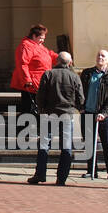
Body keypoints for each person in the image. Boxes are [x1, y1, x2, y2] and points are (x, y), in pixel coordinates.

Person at [28, 51, 84, 186]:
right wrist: (78, 107)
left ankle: (40, 174)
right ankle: (62, 178)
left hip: (49, 113)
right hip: (67, 114)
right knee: (66, 147)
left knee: (44, 145)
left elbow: (40, 95)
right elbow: (80, 97)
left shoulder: (48, 74)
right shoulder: (74, 77)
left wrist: (41, 109)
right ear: (69, 63)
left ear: (56, 61)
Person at [79, 49, 108, 181]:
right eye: (98, 55)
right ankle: (91, 170)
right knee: (89, 144)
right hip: (87, 113)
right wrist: (81, 107)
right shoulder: (87, 73)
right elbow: (79, 91)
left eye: (103, 56)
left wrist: (104, 113)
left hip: (103, 116)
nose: (100, 57)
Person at [10, 24, 53, 119]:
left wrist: (60, 58)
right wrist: (27, 80)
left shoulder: (37, 45)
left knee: (34, 107)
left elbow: (48, 54)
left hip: (38, 81)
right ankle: (26, 129)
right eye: (41, 38)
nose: (43, 40)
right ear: (34, 36)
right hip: (31, 83)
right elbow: (22, 64)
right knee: (29, 107)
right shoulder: (26, 46)